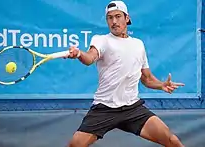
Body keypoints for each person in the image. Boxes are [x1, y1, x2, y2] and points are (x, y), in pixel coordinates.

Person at [67, 1, 185, 147]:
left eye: (117, 16)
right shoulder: (102, 40)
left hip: (132, 108)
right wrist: (79, 54)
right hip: (104, 108)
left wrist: (162, 85)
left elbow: (146, 79)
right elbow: (89, 58)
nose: (114, 21)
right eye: (110, 18)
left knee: (172, 141)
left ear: (127, 18)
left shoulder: (138, 44)